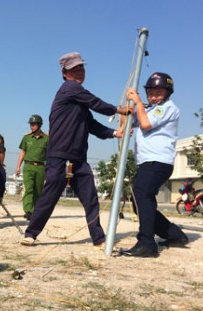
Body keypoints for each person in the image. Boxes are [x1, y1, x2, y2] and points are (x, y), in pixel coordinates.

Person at [20, 52, 131, 247]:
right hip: (59, 156)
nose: (79, 72)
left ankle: (99, 239)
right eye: (74, 69)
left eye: (81, 68)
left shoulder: (79, 102)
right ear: (65, 73)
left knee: (90, 199)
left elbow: (92, 125)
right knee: (49, 196)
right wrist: (119, 110)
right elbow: (96, 102)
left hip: (78, 158)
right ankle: (31, 233)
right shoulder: (69, 89)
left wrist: (115, 134)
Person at [118, 72, 188, 257]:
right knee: (138, 199)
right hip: (147, 162)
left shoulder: (167, 108)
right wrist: (126, 108)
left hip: (159, 161)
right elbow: (127, 125)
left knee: (142, 194)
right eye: (150, 93)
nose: (154, 96)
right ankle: (174, 234)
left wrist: (139, 103)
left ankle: (147, 243)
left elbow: (146, 124)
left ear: (167, 93)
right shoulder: (147, 108)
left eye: (158, 93)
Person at [15, 114, 49, 220]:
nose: (32, 126)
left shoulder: (47, 138)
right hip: (28, 166)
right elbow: (22, 152)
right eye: (31, 124)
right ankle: (29, 211)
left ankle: (36, 210)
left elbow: (50, 155)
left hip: (40, 168)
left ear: (39, 125)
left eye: (34, 124)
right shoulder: (26, 137)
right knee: (29, 189)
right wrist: (18, 166)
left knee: (38, 190)